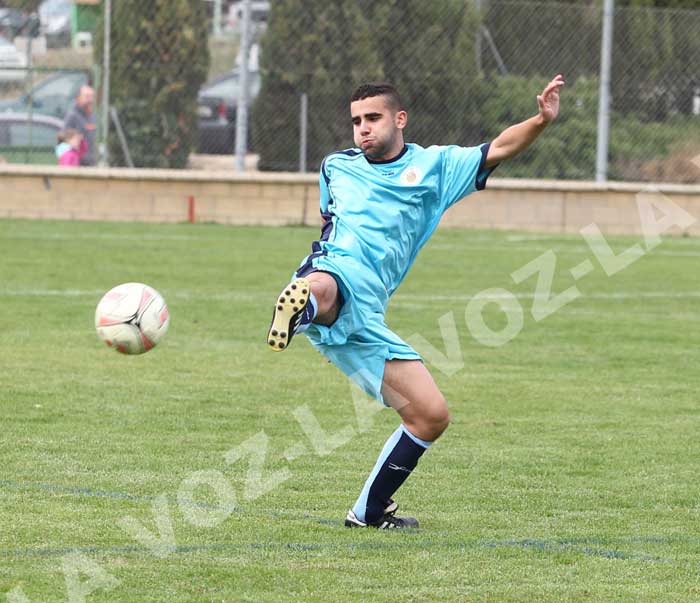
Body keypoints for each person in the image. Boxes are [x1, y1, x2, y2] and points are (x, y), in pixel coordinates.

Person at [267, 74, 565, 529]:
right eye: (356, 121)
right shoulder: (336, 167)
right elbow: (329, 230)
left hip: (367, 317)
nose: (363, 129)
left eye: (373, 118)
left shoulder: (436, 167)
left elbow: (499, 148)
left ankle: (368, 513)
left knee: (429, 415)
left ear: (400, 119)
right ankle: (303, 309)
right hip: (334, 274)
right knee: (327, 281)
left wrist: (541, 120)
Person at [63, 85, 97, 166]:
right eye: (87, 97)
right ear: (78, 98)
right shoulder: (72, 116)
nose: (90, 100)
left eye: (92, 97)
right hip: (76, 165)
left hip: (91, 163)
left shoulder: (92, 116)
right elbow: (63, 141)